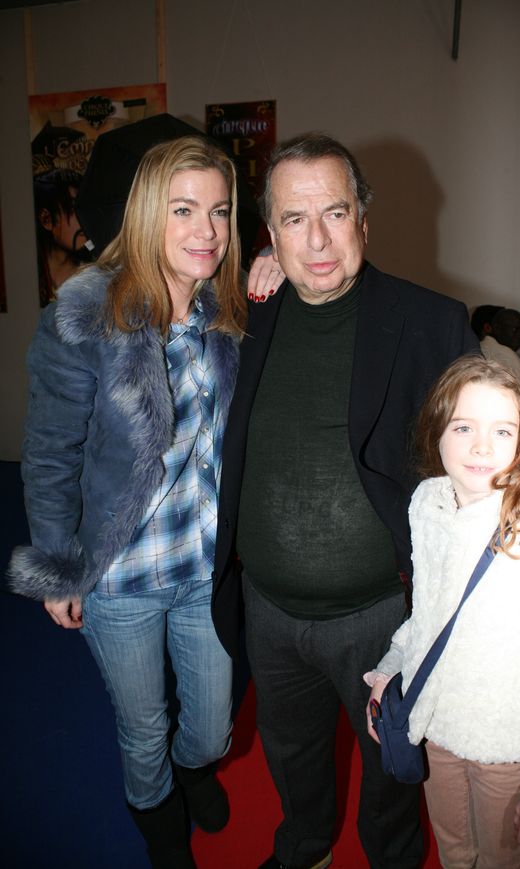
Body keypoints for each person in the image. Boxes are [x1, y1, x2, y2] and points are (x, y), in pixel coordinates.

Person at [213, 132, 520, 869]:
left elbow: (505, 416)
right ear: (269, 234)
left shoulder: (425, 319)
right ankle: (305, 846)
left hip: (382, 613)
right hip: (269, 608)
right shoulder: (241, 315)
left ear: (363, 220)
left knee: (392, 771)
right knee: (292, 756)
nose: (317, 239)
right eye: (292, 220)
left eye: (335, 213)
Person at [9, 136, 246, 869]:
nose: (206, 230)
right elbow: (50, 452)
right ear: (147, 213)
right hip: (120, 575)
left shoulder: (227, 311)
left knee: (210, 727)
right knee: (142, 728)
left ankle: (195, 768)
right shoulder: (85, 314)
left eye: (220, 211)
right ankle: (161, 826)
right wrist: (57, 569)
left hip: (204, 565)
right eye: (184, 209)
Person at [365, 355, 520, 868]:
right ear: (436, 430)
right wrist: (391, 669)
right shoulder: (428, 502)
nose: (482, 447)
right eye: (463, 426)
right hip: (437, 727)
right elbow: (428, 612)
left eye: (502, 431)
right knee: (455, 851)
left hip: (504, 744)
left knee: (502, 860)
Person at [33, 168, 91, 306]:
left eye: (81, 208)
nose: (81, 218)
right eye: (71, 209)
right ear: (46, 219)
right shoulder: (28, 275)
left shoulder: (93, 276)